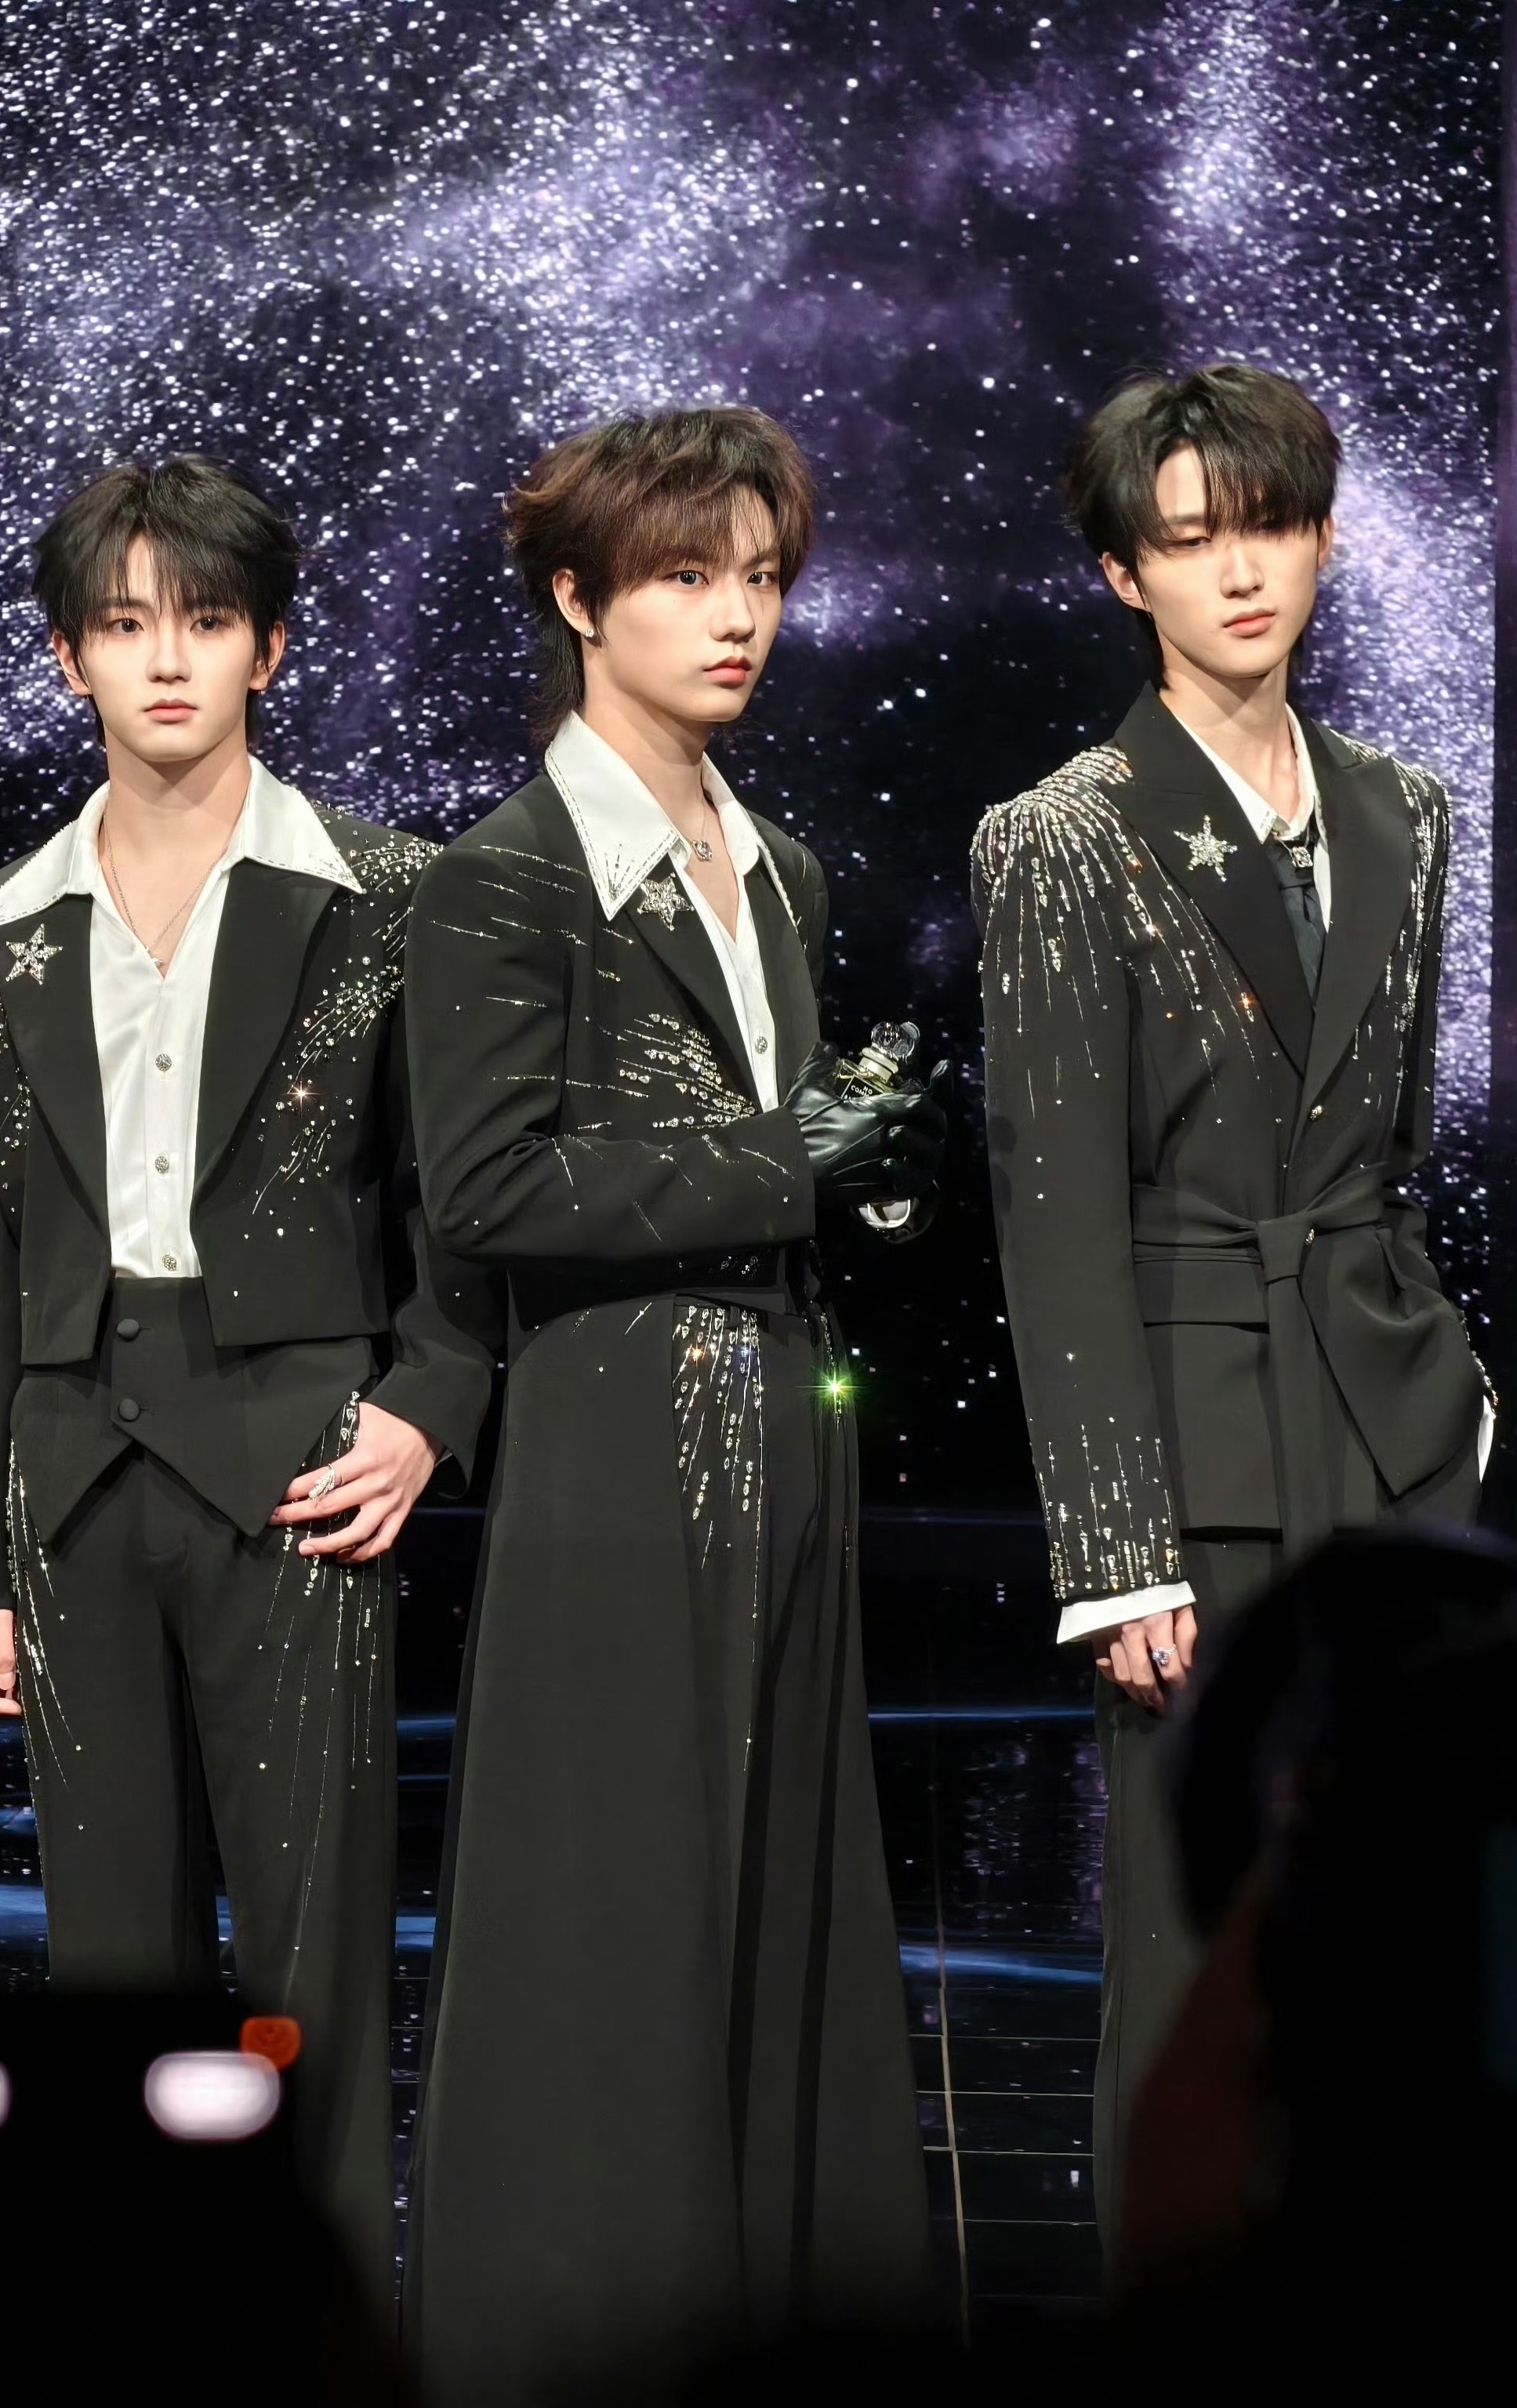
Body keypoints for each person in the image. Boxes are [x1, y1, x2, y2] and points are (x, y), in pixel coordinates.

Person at [401, 407, 944, 2402]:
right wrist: (789, 1158)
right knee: (610, 1891)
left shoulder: (779, 864)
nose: (739, 618)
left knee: (785, 1878)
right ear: (579, 597)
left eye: (765, 579)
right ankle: (574, 2334)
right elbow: (486, 1191)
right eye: (690, 577)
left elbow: (779, 1153)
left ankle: (766, 2308)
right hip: (614, 1431)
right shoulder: (501, 878)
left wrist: (872, 1167)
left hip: (787, 1417)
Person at [0, 455, 493, 2297]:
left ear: (270, 646)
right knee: (109, 1945)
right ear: (68, 657)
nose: (166, 661)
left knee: (314, 1936)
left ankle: (321, 2314)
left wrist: (425, 1406)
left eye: (207, 621)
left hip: (302, 1460)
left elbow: (459, 1204)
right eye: (123, 625)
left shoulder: (390, 899)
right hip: (71, 1467)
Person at [971, 363, 1493, 2248]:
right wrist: (1116, 1549)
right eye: (1191, 542)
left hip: (1393, 1435)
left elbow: (1396, 1151)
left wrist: (1455, 1399)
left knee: (1410, 1933)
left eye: (1269, 527)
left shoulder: (1406, 812)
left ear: (1326, 537)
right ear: (1126, 576)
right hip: (1195, 1469)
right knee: (1198, 1945)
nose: (1242, 573)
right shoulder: (1064, 833)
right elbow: (1055, 1219)